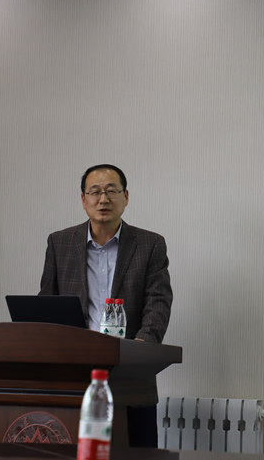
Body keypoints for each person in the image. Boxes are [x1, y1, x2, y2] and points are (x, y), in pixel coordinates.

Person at [39, 164, 172, 447]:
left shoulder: (150, 244)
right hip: (74, 371)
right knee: (75, 450)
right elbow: (47, 303)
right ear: (83, 199)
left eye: (111, 191)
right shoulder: (60, 243)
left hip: (131, 371)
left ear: (126, 196)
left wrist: (141, 349)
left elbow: (158, 302)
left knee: (137, 451)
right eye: (95, 192)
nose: (103, 199)